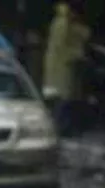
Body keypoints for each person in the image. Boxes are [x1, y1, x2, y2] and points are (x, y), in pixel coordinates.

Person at [40, 0, 89, 136]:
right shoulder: (62, 23)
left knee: (61, 99)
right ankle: (57, 128)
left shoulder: (64, 22)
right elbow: (60, 47)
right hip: (61, 67)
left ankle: (59, 127)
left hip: (62, 66)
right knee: (61, 99)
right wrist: (76, 55)